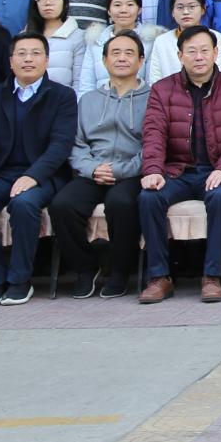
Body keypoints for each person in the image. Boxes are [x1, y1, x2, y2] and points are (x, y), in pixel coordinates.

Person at [0, 33, 78, 306]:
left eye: (35, 53)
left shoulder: (62, 96)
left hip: (43, 175)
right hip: (1, 174)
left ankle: (19, 281)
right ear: (11, 61)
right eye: (21, 53)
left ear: (46, 60)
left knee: (24, 204)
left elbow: (60, 145)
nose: (28, 59)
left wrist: (32, 176)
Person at [136, 25, 221, 304]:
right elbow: (153, 133)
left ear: (216, 53)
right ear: (180, 55)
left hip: (216, 170)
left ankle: (212, 276)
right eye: (192, 51)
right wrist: (153, 170)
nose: (199, 57)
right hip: (177, 171)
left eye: (204, 50)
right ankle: (159, 277)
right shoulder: (163, 89)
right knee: (149, 197)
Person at [46, 30, 149, 299]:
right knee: (62, 205)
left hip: (131, 173)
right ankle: (85, 268)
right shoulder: (88, 100)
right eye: (115, 53)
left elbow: (152, 146)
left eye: (129, 53)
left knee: (121, 203)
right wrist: (91, 169)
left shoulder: (153, 99)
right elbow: (76, 143)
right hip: (92, 171)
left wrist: (121, 170)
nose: (122, 58)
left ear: (141, 60)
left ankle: (119, 272)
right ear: (104, 61)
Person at [76, 0, 156, 97]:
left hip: (137, 104)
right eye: (117, 5)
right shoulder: (95, 40)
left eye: (130, 5)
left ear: (139, 10)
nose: (123, 10)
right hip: (99, 104)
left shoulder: (150, 41)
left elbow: (152, 84)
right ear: (109, 11)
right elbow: (86, 85)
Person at [146, 0, 221, 82]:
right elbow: (155, 80)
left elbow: (219, 76)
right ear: (172, 12)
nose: (185, 12)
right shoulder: (162, 41)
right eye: (180, 7)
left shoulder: (215, 37)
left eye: (192, 6)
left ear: (203, 9)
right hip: (167, 92)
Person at [26, 0, 84, 87]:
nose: (48, 2)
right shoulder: (24, 37)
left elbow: (79, 80)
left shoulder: (78, 37)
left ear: (64, 2)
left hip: (64, 96)